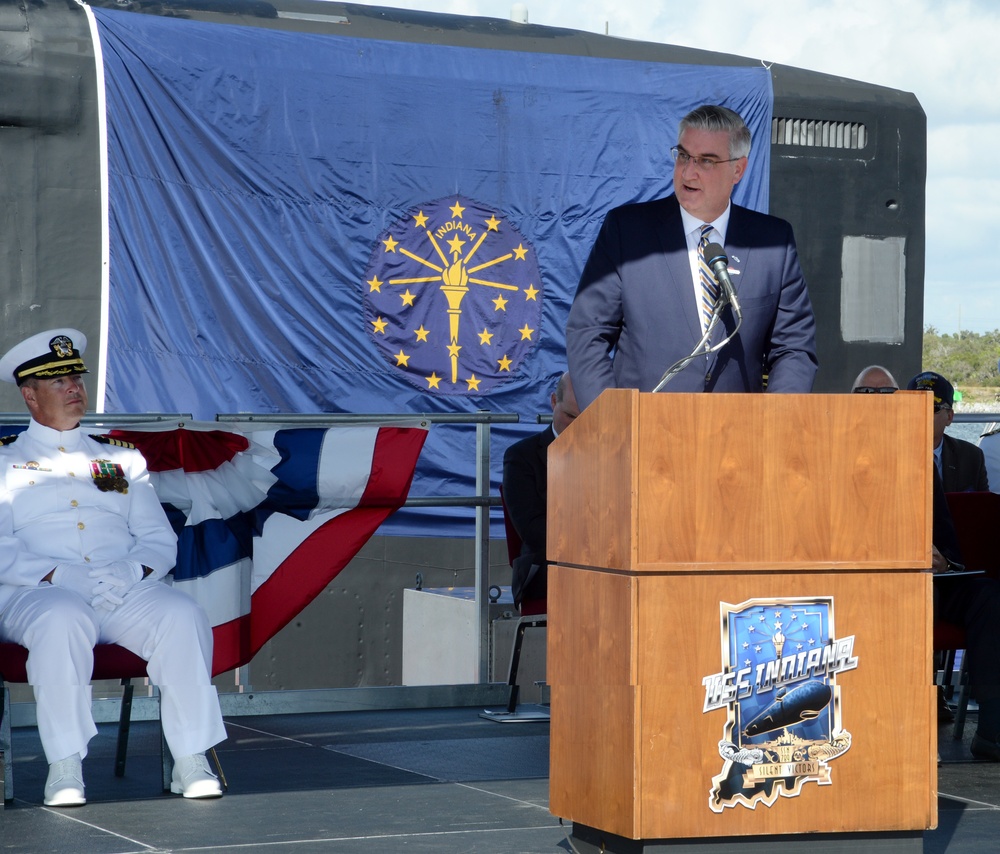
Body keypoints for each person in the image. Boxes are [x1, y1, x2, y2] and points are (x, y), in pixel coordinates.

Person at [0, 329, 227, 805]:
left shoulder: (119, 459)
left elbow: (158, 540)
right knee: (63, 618)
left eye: (76, 377)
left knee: (182, 616)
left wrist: (132, 571)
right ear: (29, 395)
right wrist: (59, 576)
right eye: (58, 380)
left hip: (118, 588)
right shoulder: (5, 463)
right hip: (34, 592)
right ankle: (64, 767)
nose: (73, 387)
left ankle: (191, 759)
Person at [566, 103, 818, 411]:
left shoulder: (772, 243)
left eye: (706, 161)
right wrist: (611, 421)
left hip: (738, 442)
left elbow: (794, 347)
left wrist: (773, 423)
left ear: (737, 169)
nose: (688, 171)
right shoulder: (628, 232)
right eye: (683, 156)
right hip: (644, 437)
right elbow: (587, 332)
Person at [853, 364, 1000, 759]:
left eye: (885, 396)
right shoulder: (835, 453)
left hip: (924, 575)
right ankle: (892, 725)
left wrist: (943, 561)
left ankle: (993, 731)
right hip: (864, 578)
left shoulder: (918, 460)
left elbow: (948, 541)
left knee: (988, 596)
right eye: (864, 395)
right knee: (905, 599)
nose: (875, 404)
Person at [501, 372, 579, 612]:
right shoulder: (521, 456)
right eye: (570, 416)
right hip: (547, 570)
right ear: (554, 402)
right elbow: (532, 530)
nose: (578, 426)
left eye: (587, 417)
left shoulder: (612, 452)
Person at [906, 370, 989, 492]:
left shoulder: (971, 458)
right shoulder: (887, 456)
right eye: (914, 405)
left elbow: (983, 508)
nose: (921, 413)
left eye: (932, 407)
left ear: (949, 417)